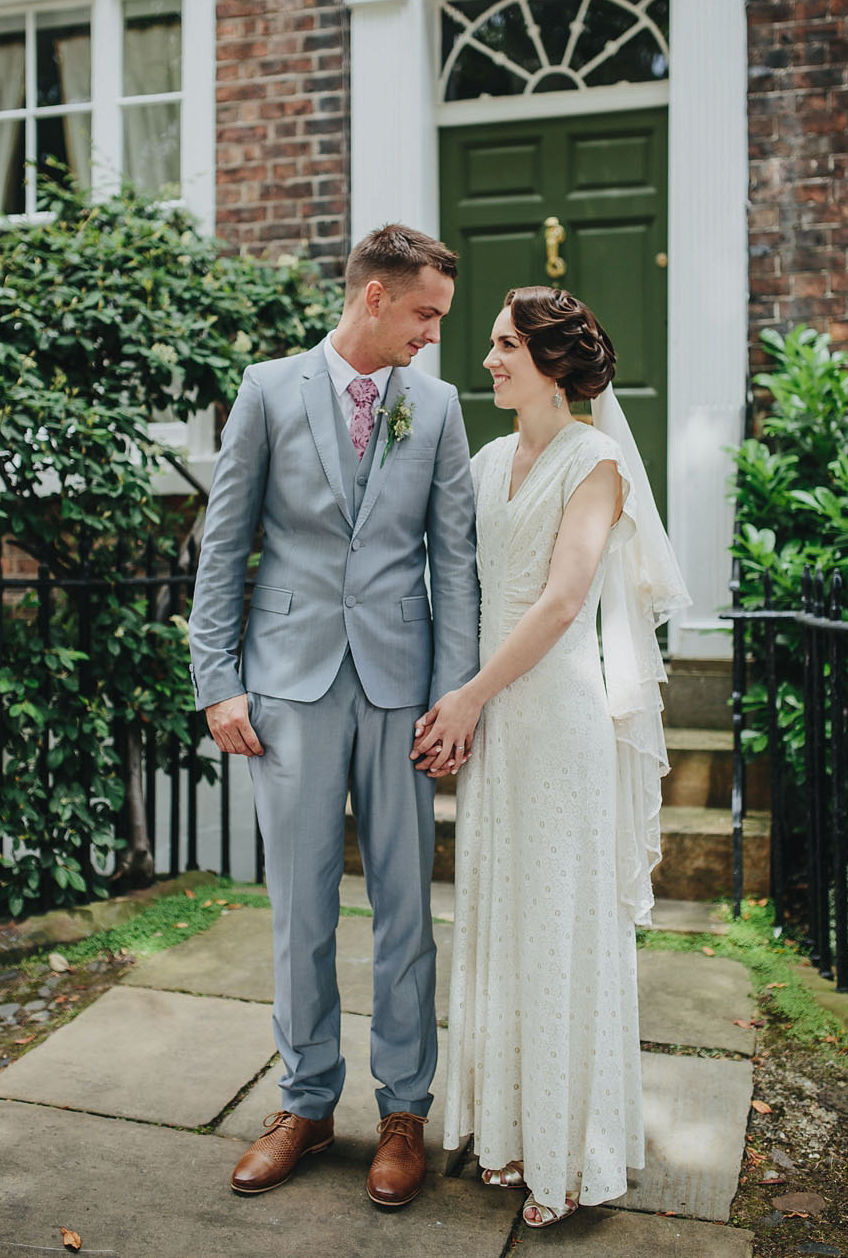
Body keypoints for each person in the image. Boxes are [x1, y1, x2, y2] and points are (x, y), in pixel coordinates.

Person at [187, 224, 480, 1208]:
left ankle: (404, 1111)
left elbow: (457, 564)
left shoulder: (436, 408)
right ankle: (306, 1104)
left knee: (406, 910)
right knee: (299, 908)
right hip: (289, 686)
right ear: (374, 299)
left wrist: (455, 695)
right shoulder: (269, 391)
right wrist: (218, 681)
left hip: (401, 692)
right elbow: (223, 543)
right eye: (426, 314)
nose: (436, 334)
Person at [410, 286, 690, 1228]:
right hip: (494, 722)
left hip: (553, 715)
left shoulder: (597, 461)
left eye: (503, 346)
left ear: (552, 362)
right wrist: (464, 700)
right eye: (491, 344)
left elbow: (564, 600)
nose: (487, 360)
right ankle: (511, 1131)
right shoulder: (490, 460)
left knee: (563, 924)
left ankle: (573, 1157)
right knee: (506, 919)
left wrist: (470, 697)